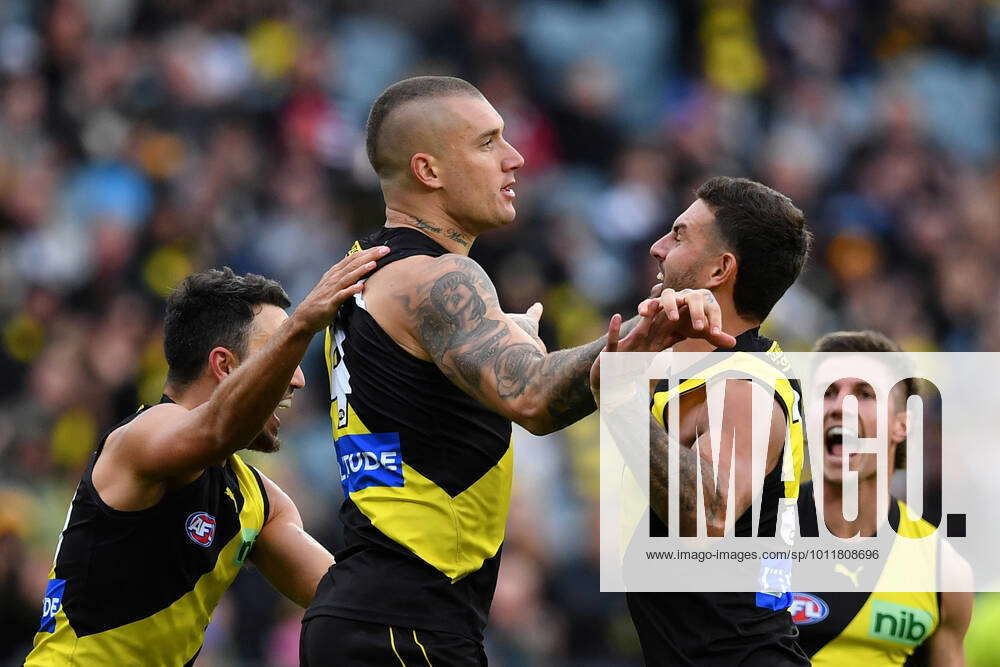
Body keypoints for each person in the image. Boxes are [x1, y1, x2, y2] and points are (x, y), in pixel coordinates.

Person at [299, 76, 731, 666]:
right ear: (428, 171)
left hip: (379, 613)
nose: (516, 157)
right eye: (487, 143)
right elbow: (532, 397)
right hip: (409, 622)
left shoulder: (367, 267)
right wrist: (648, 336)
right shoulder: (441, 277)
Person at [25, 249, 386, 666]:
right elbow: (216, 430)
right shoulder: (140, 438)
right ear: (224, 365)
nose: (299, 379)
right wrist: (304, 325)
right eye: (280, 351)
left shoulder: (260, 504)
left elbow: (347, 600)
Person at [591, 176, 813, 665]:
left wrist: (623, 400)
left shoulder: (745, 391)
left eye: (679, 235)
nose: (657, 247)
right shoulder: (686, 372)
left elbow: (709, 517)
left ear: (720, 270)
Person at [792, 330, 973, 666]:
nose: (841, 406)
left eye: (865, 393)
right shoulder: (751, 531)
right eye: (827, 393)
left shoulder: (943, 571)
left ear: (902, 425)